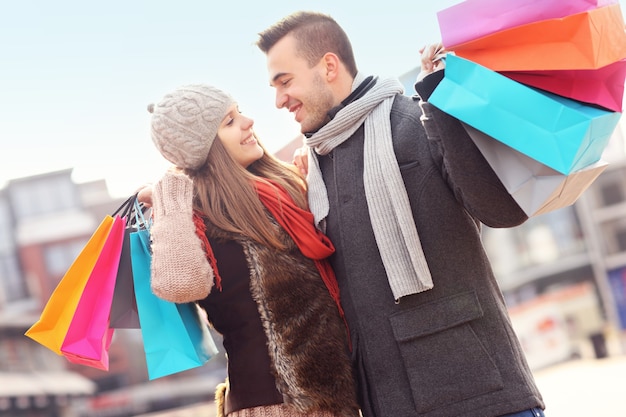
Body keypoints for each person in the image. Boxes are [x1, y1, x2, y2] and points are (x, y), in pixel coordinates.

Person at [255, 11, 546, 417]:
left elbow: (501, 210)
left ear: (328, 66)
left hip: (484, 394)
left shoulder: (417, 117)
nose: (278, 100)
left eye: (284, 81)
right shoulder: (315, 169)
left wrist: (445, 99)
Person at [142, 84, 360, 417]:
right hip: (273, 404)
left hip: (331, 397)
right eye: (229, 121)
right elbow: (180, 285)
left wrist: (311, 177)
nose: (248, 122)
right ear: (205, 148)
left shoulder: (277, 192)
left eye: (238, 112)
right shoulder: (194, 212)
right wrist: (169, 198)